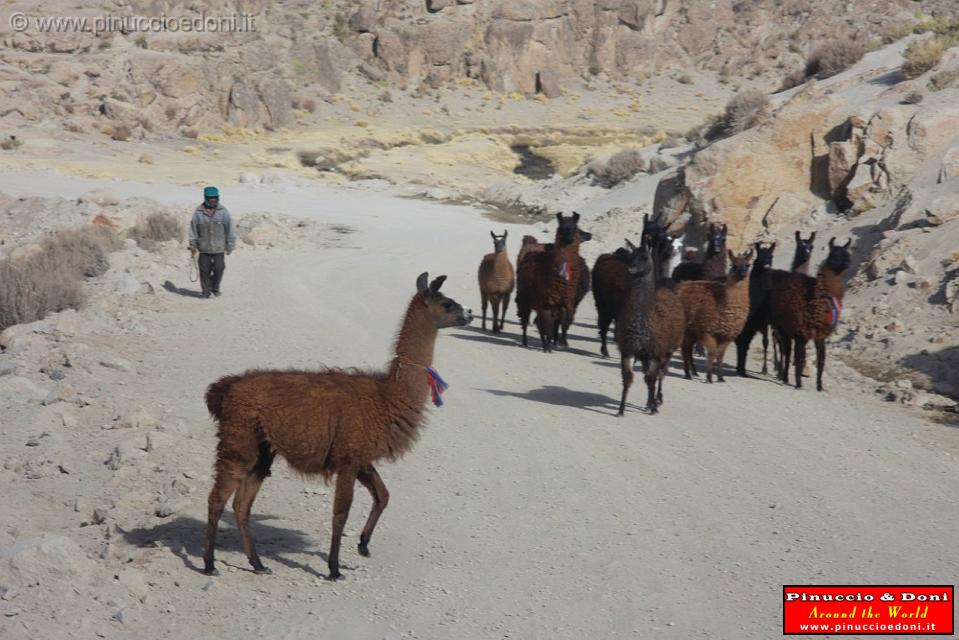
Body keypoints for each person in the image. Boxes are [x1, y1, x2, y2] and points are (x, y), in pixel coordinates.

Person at [188, 186, 236, 298]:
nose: (213, 200)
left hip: (219, 247)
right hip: (204, 247)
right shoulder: (198, 213)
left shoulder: (223, 212)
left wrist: (230, 244)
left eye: (215, 197)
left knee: (219, 268)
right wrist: (192, 244)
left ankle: (215, 287)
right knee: (204, 270)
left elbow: (230, 229)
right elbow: (193, 229)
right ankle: (205, 291)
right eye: (210, 198)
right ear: (205, 198)